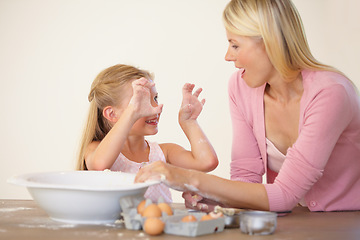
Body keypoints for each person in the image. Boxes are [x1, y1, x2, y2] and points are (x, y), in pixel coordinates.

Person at [135, 0, 360, 212]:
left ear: (270, 42)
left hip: (346, 222)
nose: (227, 56)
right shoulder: (241, 86)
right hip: (291, 222)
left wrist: (190, 178)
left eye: (235, 45)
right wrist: (216, 196)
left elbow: (285, 194)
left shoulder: (331, 93)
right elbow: (246, 175)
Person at [76, 64, 218, 203]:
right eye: (142, 100)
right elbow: (100, 165)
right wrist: (132, 112)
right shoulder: (95, 149)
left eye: (155, 98)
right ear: (112, 114)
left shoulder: (164, 152)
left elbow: (206, 162)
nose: (156, 108)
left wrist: (189, 122)